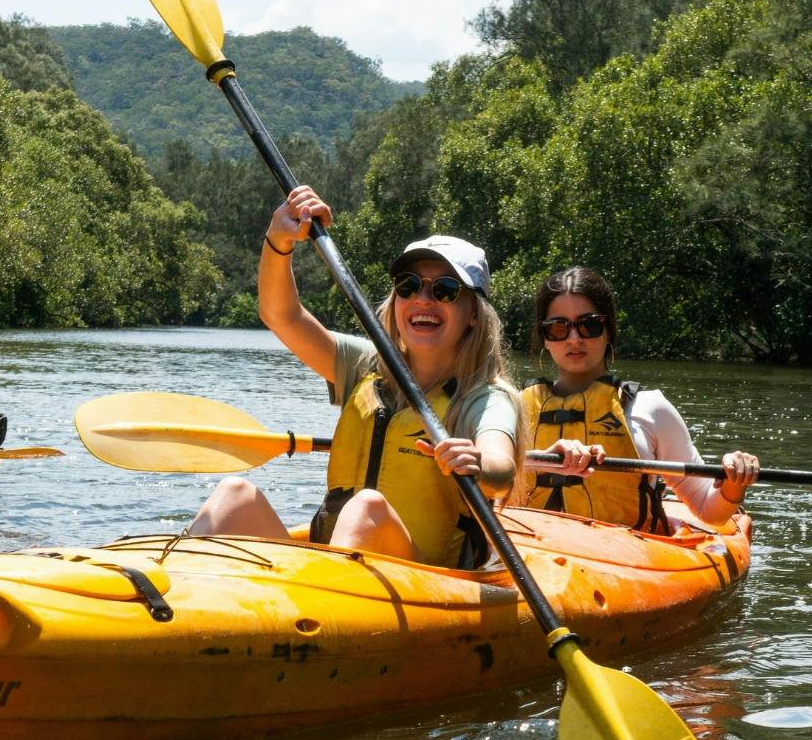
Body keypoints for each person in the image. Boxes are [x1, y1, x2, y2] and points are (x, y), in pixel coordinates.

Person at [189, 186, 523, 568]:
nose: (422, 300)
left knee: (367, 508)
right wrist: (279, 240)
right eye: (409, 286)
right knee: (235, 495)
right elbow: (282, 316)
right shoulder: (367, 367)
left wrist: (479, 463)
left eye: (445, 290)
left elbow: (501, 469)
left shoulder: (485, 397)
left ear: (474, 313)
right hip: (339, 580)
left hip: (424, 586)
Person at [520, 265, 758, 531]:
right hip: (530, 552)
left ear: (608, 330)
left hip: (623, 563)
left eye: (589, 325)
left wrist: (733, 482)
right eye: (559, 328)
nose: (574, 339)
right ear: (545, 337)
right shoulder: (513, 408)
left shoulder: (650, 408)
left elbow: (708, 510)